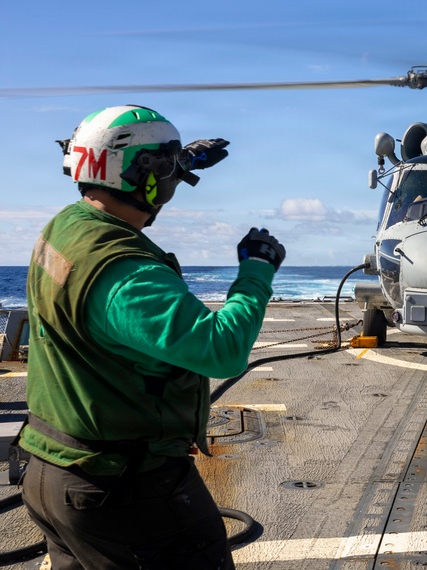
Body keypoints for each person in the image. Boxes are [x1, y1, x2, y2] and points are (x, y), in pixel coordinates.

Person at [18, 105, 286, 569]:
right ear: (145, 174)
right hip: (125, 490)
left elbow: (124, 171)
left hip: (53, 471)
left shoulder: (66, 226)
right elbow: (222, 352)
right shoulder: (127, 272)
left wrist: (179, 162)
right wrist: (257, 272)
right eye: (167, 168)